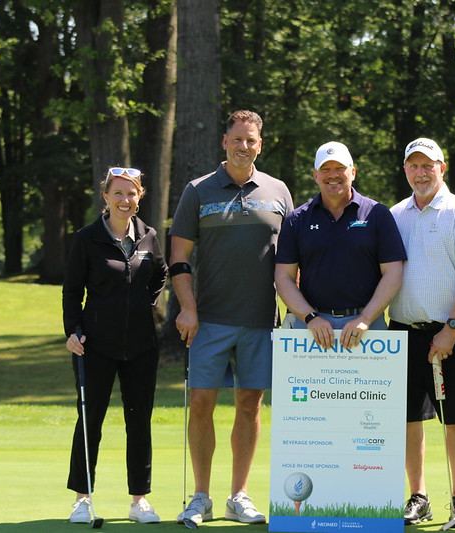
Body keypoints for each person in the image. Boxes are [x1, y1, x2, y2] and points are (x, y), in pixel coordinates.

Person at [169, 110, 293, 526]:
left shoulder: (278, 191)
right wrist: (188, 308)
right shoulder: (197, 190)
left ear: (260, 144)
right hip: (209, 320)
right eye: (237, 139)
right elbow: (179, 257)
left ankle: (238, 495)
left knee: (250, 404)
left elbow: (292, 259)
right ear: (224, 142)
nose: (244, 146)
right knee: (201, 403)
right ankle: (200, 496)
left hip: (261, 320)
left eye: (251, 140)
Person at [387, 138, 455, 528]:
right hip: (404, 331)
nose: (421, 173)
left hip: (452, 332)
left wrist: (451, 329)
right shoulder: (395, 215)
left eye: (428, 165)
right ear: (405, 170)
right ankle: (419, 496)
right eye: (413, 165)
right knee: (409, 418)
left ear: (441, 168)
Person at [62, 167, 168, 524]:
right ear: (106, 196)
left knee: (138, 422)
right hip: (94, 345)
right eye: (118, 193)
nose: (125, 200)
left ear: (140, 197)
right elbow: (72, 291)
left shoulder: (149, 236)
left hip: (141, 345)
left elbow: (160, 273)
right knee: (90, 420)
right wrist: (73, 331)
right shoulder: (87, 238)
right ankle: (82, 499)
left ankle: (139, 500)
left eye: (131, 193)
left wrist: (144, 303)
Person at [275, 141, 406, 347]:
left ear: (353, 172)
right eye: (325, 169)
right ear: (315, 175)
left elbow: (393, 272)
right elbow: (283, 277)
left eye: (339, 168)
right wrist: (310, 317)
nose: (333, 174)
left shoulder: (377, 214)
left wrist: (366, 318)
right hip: (311, 326)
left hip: (367, 325)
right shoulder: (297, 220)